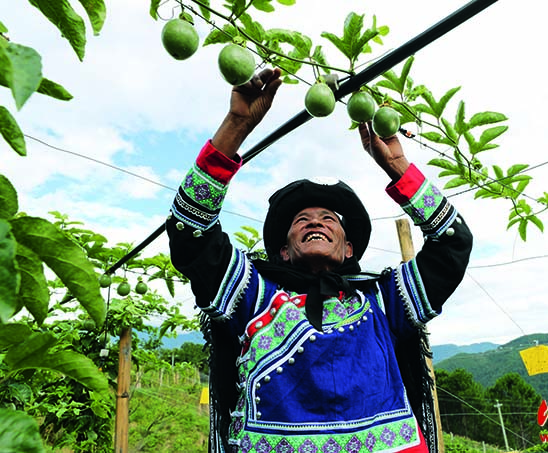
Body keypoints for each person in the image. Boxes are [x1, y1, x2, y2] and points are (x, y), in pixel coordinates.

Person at [167, 67, 473, 452]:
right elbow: (189, 233)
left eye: (329, 219)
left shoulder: (383, 302)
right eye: (302, 220)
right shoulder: (252, 294)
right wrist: (236, 126)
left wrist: (398, 167)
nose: (315, 221)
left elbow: (453, 243)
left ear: (348, 250)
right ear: (282, 250)